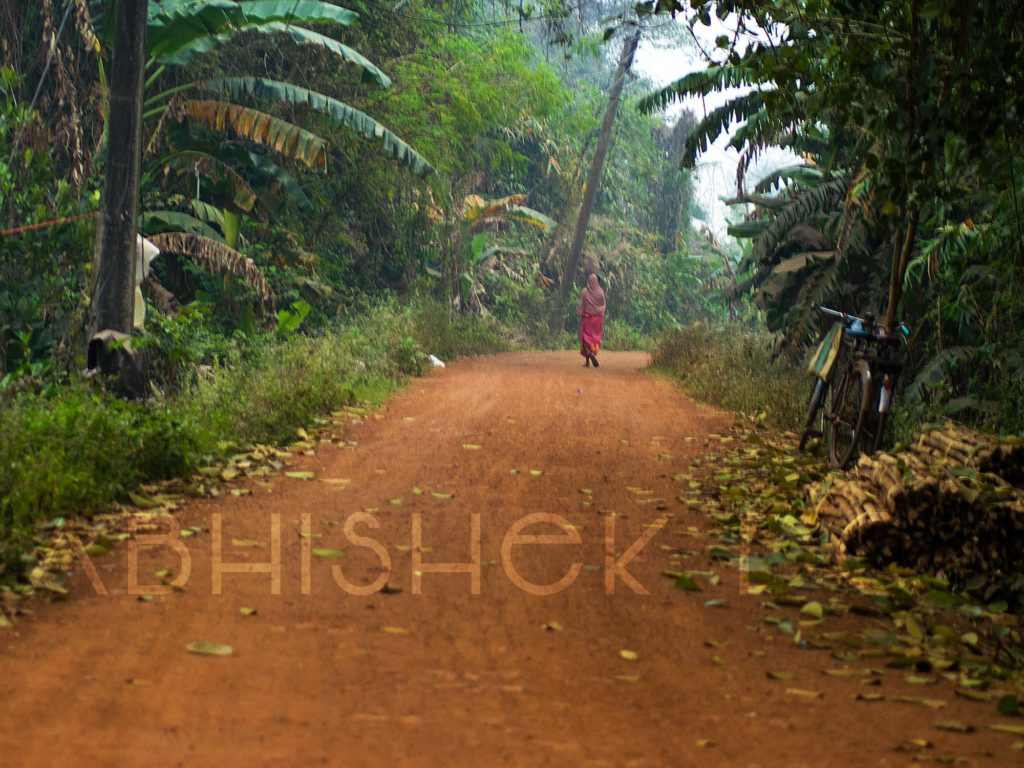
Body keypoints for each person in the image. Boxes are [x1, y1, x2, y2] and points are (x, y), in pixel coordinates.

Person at [577, 272, 606, 368]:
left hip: (587, 319)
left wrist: (580, 313)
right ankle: (591, 356)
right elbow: (603, 306)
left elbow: (581, 305)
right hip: (598, 320)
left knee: (585, 339)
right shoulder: (601, 292)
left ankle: (589, 356)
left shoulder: (585, 291)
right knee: (594, 340)